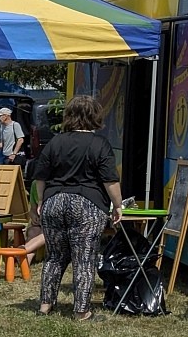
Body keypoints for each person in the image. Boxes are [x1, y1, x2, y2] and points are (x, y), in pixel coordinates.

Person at [31, 95, 124, 320]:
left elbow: (40, 177)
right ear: (94, 116)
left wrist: (41, 201)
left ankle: (45, 305)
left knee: (54, 256)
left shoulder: (54, 142)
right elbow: (110, 180)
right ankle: (81, 310)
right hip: (87, 204)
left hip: (54, 201)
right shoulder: (99, 144)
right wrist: (118, 206)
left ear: (69, 116)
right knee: (84, 258)